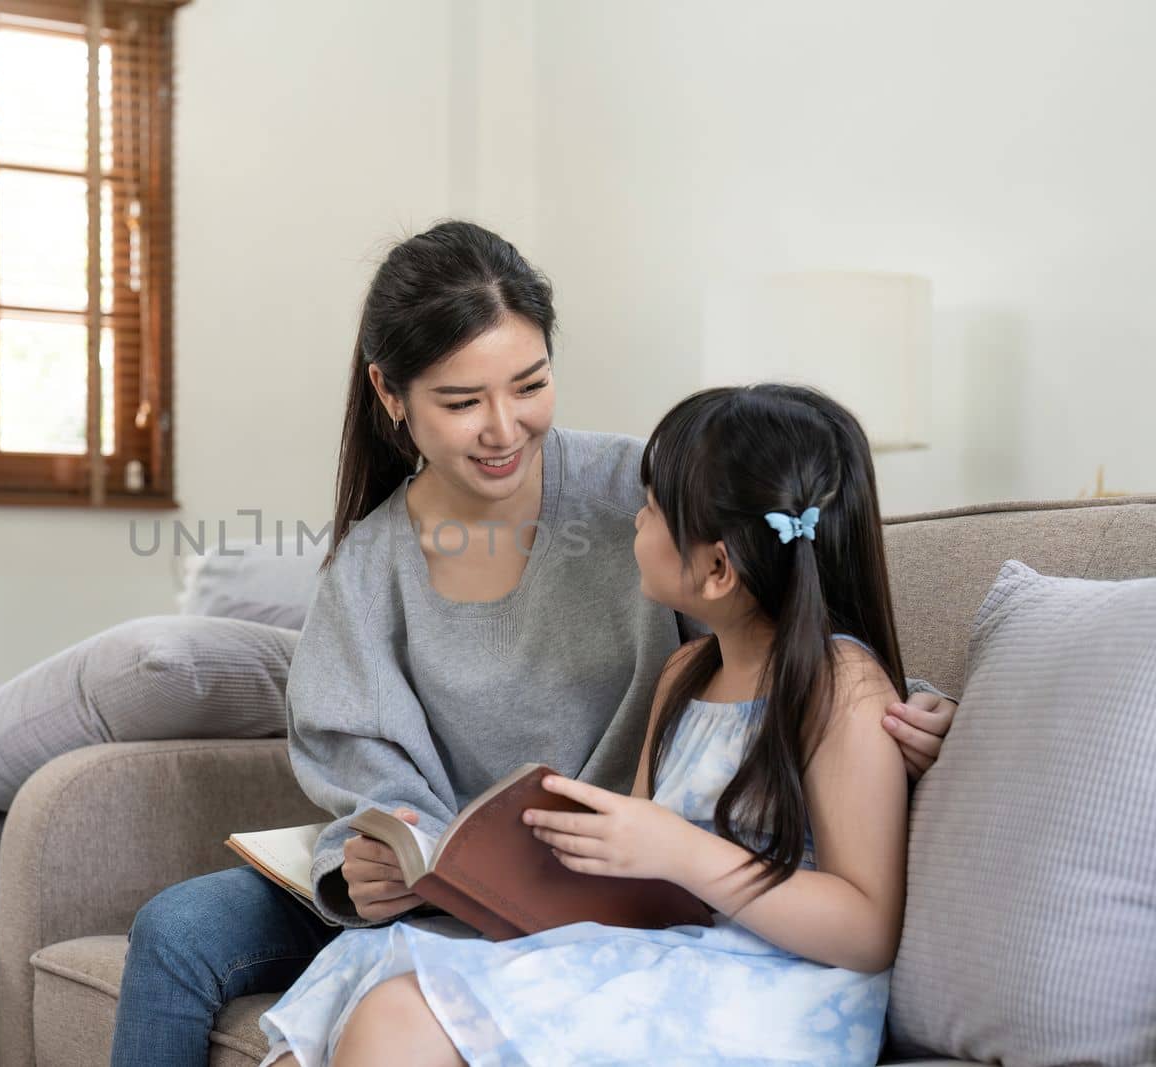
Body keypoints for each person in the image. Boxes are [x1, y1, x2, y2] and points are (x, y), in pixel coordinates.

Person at [108, 221, 956, 1066]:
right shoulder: (369, 566)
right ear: (391, 393)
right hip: (440, 886)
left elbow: (780, 632)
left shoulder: (649, 489)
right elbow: (360, 765)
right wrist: (369, 859)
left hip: (617, 888)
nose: (504, 428)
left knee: (379, 1014)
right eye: (462, 400)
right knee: (180, 931)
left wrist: (912, 705)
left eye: (530, 384)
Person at [260, 383, 911, 1065]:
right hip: (669, 954)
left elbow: (866, 928)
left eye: (653, 509)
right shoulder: (684, 674)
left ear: (717, 567)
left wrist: (684, 852)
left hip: (777, 995)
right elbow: (634, 878)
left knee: (403, 1009)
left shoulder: (841, 689)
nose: (635, 519)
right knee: (366, 959)